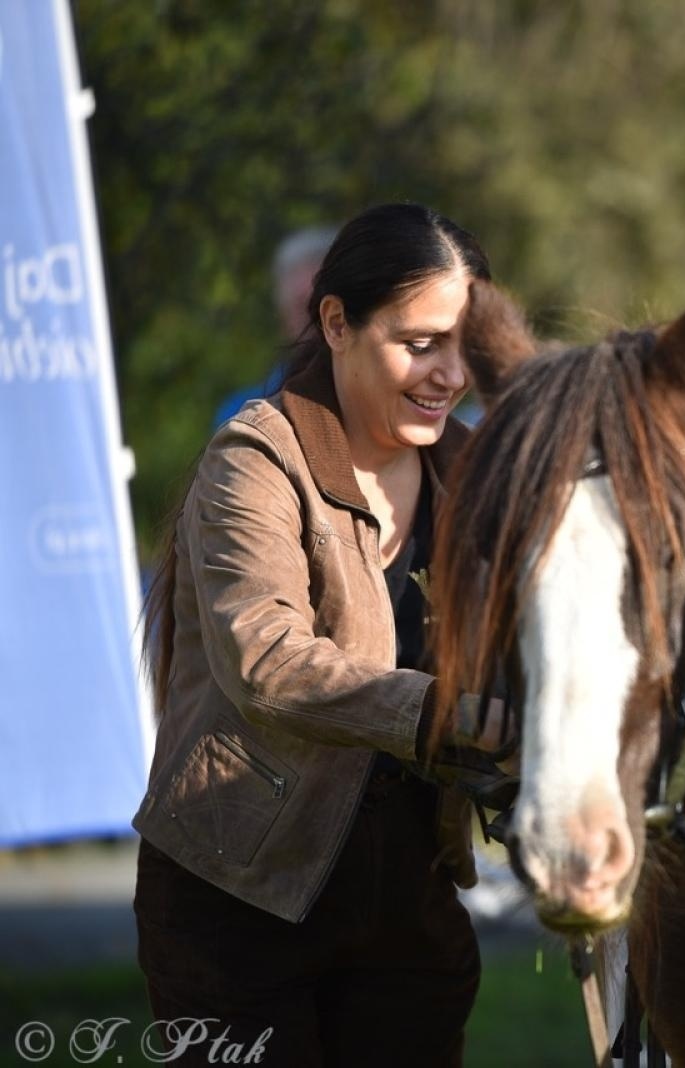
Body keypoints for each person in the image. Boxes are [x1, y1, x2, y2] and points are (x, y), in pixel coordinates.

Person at [134, 203, 508, 1066]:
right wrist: (462, 720)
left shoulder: (479, 472)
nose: (451, 374)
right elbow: (267, 660)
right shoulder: (254, 458)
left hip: (412, 915)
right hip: (235, 902)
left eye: (467, 345)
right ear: (335, 321)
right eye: (421, 344)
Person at [213, 226, 338, 428]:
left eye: (318, 308)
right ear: (282, 312)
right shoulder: (241, 414)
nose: (311, 324)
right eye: (300, 307)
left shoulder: (379, 401)